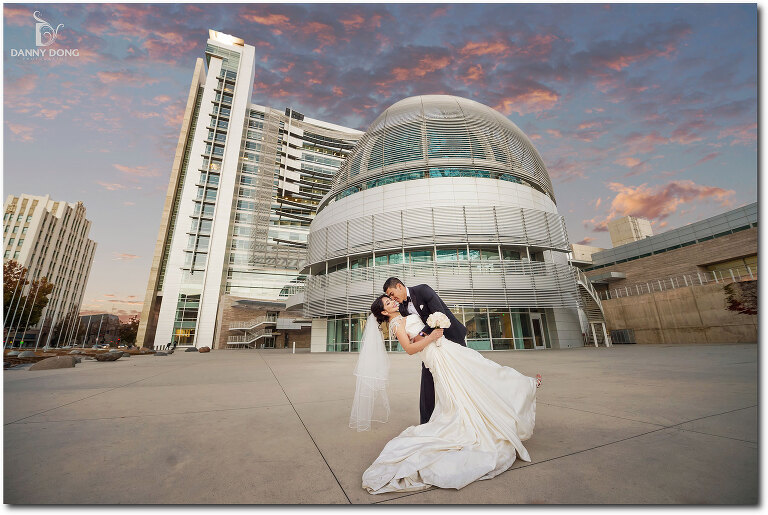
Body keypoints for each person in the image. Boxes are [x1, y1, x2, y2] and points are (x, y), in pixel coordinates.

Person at [357, 294, 542, 494]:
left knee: (478, 368)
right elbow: (409, 349)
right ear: (384, 311)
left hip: (442, 348)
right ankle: (524, 386)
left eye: (391, 299)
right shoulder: (395, 323)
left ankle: (523, 385)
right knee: (470, 378)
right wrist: (431, 337)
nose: (392, 301)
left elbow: (416, 335)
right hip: (436, 354)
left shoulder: (401, 315)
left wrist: (432, 331)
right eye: (388, 302)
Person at [384, 277, 467, 424]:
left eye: (391, 293)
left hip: (451, 337)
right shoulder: (402, 308)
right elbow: (407, 328)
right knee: (427, 380)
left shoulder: (422, 290)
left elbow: (440, 315)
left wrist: (421, 335)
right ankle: (425, 422)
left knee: (462, 375)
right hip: (430, 346)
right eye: (389, 297)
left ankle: (465, 412)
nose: (392, 298)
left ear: (399, 286)